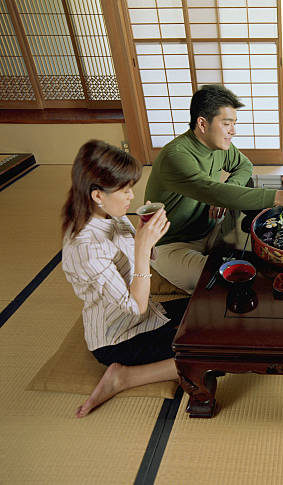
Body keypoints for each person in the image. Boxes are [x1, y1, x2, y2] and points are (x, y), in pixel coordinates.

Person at [145, 84, 283, 294]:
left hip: (211, 229)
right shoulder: (176, 156)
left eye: (234, 124)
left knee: (265, 256)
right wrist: (279, 196)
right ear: (202, 123)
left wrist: (226, 189)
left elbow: (243, 165)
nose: (233, 131)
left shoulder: (217, 144)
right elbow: (212, 190)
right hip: (173, 245)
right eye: (227, 124)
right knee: (226, 281)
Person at [61, 140, 189, 417]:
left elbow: (135, 259)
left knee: (207, 311)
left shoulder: (109, 213)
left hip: (148, 314)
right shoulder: (86, 248)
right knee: (210, 355)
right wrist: (142, 248)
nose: (131, 196)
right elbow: (135, 306)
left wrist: (147, 236)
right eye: (125, 189)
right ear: (97, 194)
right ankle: (123, 378)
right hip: (118, 337)